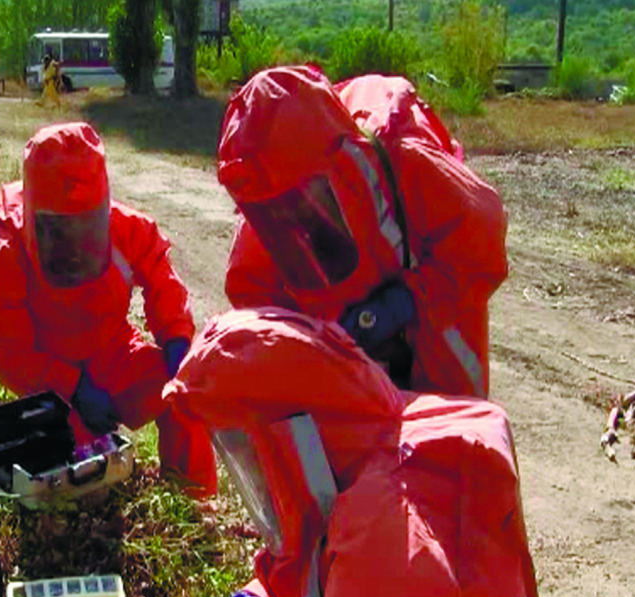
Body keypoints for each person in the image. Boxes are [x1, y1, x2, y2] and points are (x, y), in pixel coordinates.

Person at [152, 307, 539, 597]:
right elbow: (321, 562)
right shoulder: (356, 440)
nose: (252, 467)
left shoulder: (381, 515)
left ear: (293, 427)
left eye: (249, 446)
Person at [0, 122, 218, 498]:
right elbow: (2, 347)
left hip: (111, 351)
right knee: (83, 479)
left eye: (86, 228)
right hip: (50, 379)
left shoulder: (124, 228)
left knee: (183, 399)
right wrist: (72, 387)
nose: (75, 249)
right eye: (60, 233)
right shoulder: (3, 251)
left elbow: (160, 272)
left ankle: (192, 502)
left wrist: (176, 343)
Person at [218, 66, 508, 397]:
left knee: (451, 415)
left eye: (302, 202)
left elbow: (480, 236)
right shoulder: (270, 191)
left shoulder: (401, 155)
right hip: (347, 330)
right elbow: (251, 289)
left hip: (432, 299)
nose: (291, 215)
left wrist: (407, 300)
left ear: (338, 162)